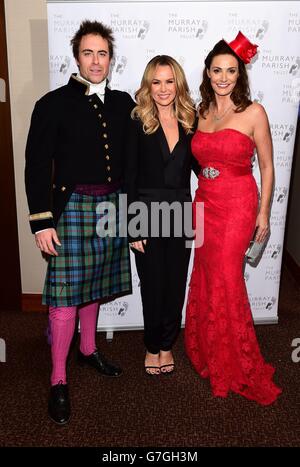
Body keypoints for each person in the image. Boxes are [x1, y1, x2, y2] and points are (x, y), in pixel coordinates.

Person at [25, 20, 135, 425]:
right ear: (76, 57)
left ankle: (88, 350)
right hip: (70, 210)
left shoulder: (124, 103)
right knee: (67, 294)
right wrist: (42, 221)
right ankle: (58, 378)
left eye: (102, 53)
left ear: (110, 58)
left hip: (112, 208)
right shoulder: (51, 104)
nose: (95, 60)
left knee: (94, 285)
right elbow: (36, 167)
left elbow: (135, 162)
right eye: (88, 53)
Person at [185, 31, 282, 405]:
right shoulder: (201, 111)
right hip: (205, 203)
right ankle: (210, 352)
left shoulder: (254, 112)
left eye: (230, 71)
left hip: (239, 204)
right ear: (207, 74)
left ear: (239, 74)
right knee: (208, 276)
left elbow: (269, 167)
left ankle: (236, 363)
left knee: (227, 278)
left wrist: (264, 213)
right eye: (216, 70)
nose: (223, 77)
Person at [124, 55, 199, 375]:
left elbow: (201, 165)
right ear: (148, 85)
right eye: (156, 81)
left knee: (175, 284)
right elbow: (128, 176)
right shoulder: (137, 120)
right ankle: (152, 346)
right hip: (146, 212)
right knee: (152, 284)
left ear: (178, 84)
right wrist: (131, 226)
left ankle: (167, 344)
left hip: (182, 210)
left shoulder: (191, 120)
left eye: (169, 81)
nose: (163, 88)